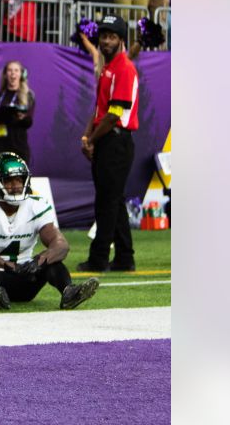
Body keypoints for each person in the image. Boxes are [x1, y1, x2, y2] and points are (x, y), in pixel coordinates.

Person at [0, 152, 100, 311]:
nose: (16, 185)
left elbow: (61, 245)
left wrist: (39, 260)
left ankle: (69, 291)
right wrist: (4, 264)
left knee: (52, 262)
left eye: (19, 179)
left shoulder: (36, 205)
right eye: (8, 180)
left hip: (25, 278)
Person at [78, 14, 141, 273]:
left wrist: (90, 139)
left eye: (112, 36)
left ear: (121, 40)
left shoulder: (124, 68)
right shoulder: (109, 67)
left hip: (116, 142)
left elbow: (114, 115)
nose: (106, 41)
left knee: (106, 202)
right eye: (103, 36)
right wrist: (87, 138)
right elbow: (99, 109)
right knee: (113, 200)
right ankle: (125, 257)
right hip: (108, 141)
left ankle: (99, 258)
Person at [0, 61, 35, 163]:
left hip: (19, 144)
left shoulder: (28, 96)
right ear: (5, 75)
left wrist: (20, 117)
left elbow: (29, 121)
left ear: (21, 74)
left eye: (16, 70)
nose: (13, 73)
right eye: (10, 70)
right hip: (0, 143)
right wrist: (7, 113)